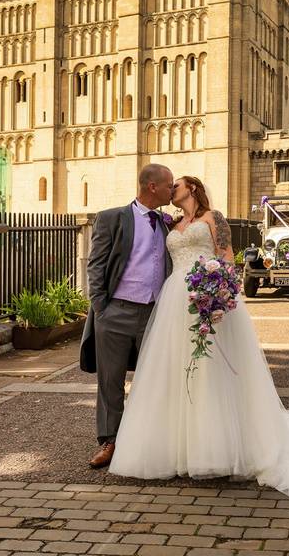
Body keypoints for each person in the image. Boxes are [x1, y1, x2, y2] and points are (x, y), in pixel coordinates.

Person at [108, 176, 289, 496]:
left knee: (211, 372)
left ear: (193, 188)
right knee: (175, 371)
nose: (171, 188)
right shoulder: (171, 223)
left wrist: (220, 298)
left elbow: (228, 258)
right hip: (175, 300)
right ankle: (177, 446)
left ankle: (216, 447)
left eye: (177, 185)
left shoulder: (214, 218)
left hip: (207, 295)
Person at [80, 163, 174, 469]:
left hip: (155, 314)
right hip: (115, 312)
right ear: (152, 187)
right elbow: (96, 265)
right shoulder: (112, 218)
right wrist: (100, 308)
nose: (171, 190)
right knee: (111, 381)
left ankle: (148, 441)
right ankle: (109, 442)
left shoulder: (167, 223)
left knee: (154, 380)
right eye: (168, 185)